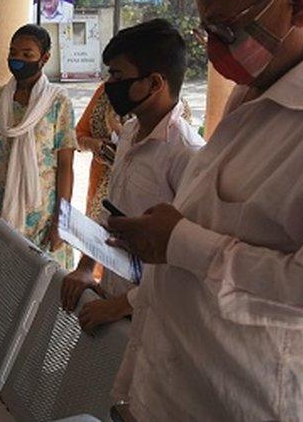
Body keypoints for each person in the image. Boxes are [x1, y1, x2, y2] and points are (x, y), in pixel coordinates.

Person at [108, 0, 303, 420]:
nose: (214, 50)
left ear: (295, 3)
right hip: (185, 391)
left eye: (227, 31)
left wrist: (183, 242)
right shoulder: (252, 94)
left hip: (262, 402)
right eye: (207, 32)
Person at [60, 19, 203, 337]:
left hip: (152, 316)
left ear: (154, 84)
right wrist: (86, 268)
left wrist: (122, 304)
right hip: (111, 291)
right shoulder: (130, 132)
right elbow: (111, 209)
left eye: (117, 75)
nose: (109, 84)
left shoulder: (188, 155)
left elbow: (184, 258)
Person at [0, 24, 77, 267]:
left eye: (27, 54)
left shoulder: (57, 101)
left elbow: (65, 166)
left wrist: (61, 222)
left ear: (44, 58)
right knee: (4, 284)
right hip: (1, 209)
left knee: (43, 292)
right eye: (13, 52)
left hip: (43, 217)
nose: (18, 59)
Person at [74, 83, 122, 224]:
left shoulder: (170, 107)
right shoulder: (105, 92)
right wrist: (93, 144)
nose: (113, 79)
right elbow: (78, 136)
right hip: (100, 196)